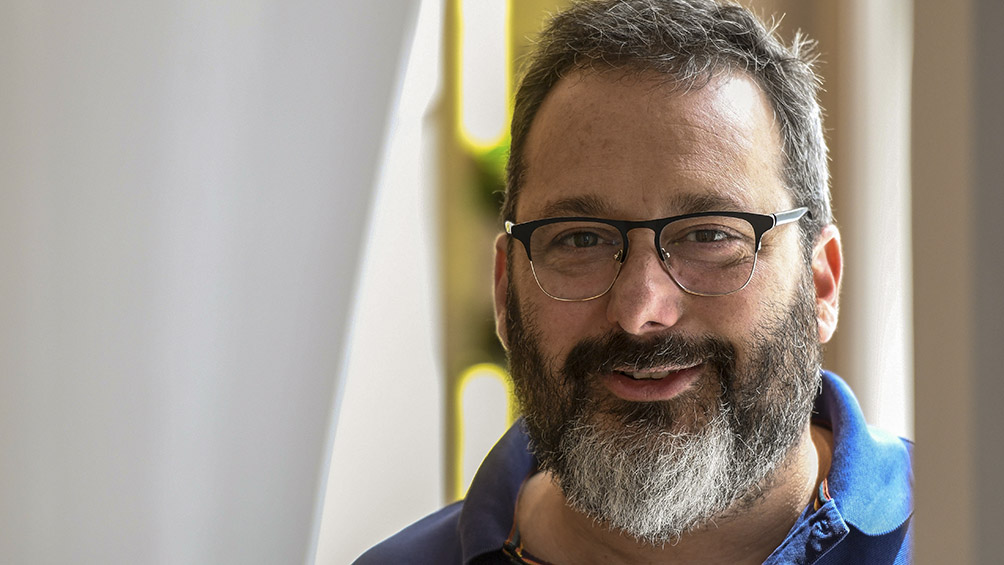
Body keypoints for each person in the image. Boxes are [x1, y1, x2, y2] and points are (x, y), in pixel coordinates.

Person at [357, 0, 913, 562]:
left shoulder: (960, 530)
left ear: (821, 284)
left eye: (709, 235)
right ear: (505, 291)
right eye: (580, 240)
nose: (640, 309)